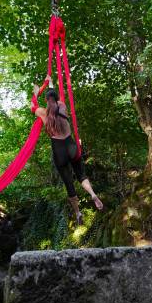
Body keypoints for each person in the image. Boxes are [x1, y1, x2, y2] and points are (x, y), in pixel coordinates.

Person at [31, 75, 103, 225]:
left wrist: (36, 92)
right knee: (81, 175)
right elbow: (54, 97)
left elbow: (32, 106)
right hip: (71, 146)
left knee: (68, 183)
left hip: (59, 152)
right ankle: (93, 194)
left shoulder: (43, 112)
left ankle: (77, 212)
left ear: (46, 101)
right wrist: (50, 83)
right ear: (57, 99)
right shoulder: (62, 106)